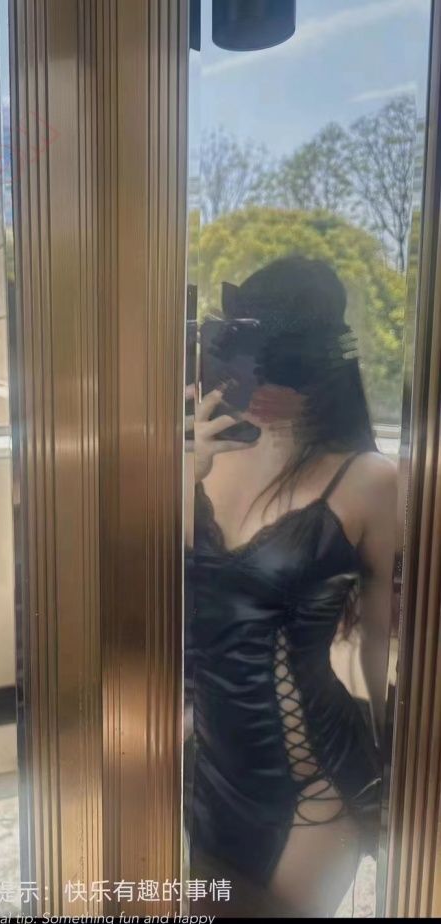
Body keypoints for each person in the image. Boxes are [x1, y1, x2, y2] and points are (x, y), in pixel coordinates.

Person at [186, 256, 396, 917]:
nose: (260, 380)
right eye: (248, 358)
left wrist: (396, 763)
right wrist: (179, 473)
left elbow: (384, 643)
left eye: (282, 363)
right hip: (205, 768)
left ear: (322, 366)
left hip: (314, 785)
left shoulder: (370, 480)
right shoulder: (197, 458)